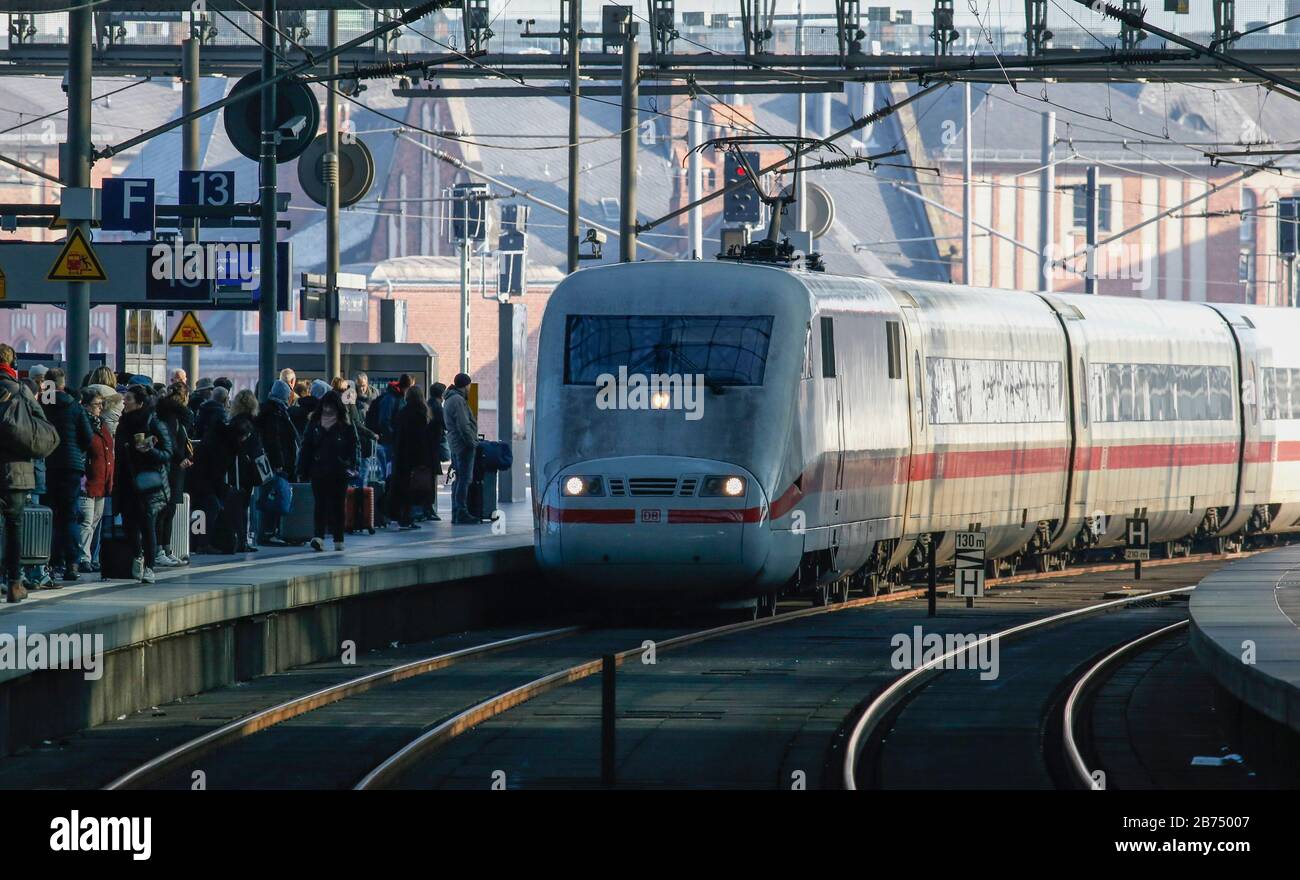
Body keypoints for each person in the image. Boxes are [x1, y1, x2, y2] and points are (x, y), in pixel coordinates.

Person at [0, 344, 51, 603]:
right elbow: (41, 424)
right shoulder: (20, 390)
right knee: (13, 526)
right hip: (16, 470)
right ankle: (13, 583)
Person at [114, 385, 173, 584]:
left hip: (149, 485)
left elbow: (167, 453)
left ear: (139, 403)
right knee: (129, 524)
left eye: (128, 399)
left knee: (148, 524)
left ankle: (149, 566)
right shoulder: (123, 423)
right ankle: (137, 555)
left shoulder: (153, 422)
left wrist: (148, 450)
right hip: (127, 481)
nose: (124, 402)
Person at [40, 368, 93, 582]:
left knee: (51, 515)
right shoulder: (74, 406)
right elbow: (87, 438)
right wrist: (75, 451)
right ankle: (72, 563)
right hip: (71, 466)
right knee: (69, 515)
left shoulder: (42, 405)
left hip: (48, 464)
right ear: (63, 383)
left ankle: (52, 563)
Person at [297, 390, 358, 553]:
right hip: (325, 471)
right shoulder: (324, 425)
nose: (328, 410)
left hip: (334, 471)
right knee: (325, 504)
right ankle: (323, 537)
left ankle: (334, 537)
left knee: (332, 505)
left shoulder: (339, 426)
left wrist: (351, 466)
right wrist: (302, 469)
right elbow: (306, 448)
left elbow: (353, 448)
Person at [209, 389, 264, 553]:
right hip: (245, 470)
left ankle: (238, 538)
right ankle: (242, 539)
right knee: (244, 505)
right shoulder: (250, 423)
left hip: (234, 469)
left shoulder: (232, 422)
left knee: (236, 505)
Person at [153, 382, 194, 567]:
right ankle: (159, 550)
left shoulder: (173, 414)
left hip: (175, 467)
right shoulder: (171, 415)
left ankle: (166, 549)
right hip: (170, 468)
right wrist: (180, 458)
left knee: (169, 510)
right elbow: (169, 440)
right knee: (165, 510)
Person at [255, 379, 300, 545]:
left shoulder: (272, 410)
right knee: (275, 497)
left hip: (273, 462)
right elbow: (274, 439)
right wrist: (279, 461)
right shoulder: (275, 413)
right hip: (275, 464)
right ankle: (268, 532)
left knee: (272, 496)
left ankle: (268, 531)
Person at [390, 385, 441, 529]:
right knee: (413, 489)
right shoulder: (423, 414)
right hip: (417, 458)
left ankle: (403, 517)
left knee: (402, 488)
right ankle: (409, 517)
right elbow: (424, 439)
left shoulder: (402, 413)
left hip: (401, 457)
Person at [77, 388, 114, 575]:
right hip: (88, 481)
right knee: (86, 521)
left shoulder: (102, 425)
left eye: (101, 404)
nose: (100, 408)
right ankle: (83, 558)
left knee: (94, 523)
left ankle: (91, 556)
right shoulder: (85, 426)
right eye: (96, 404)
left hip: (101, 481)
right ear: (85, 405)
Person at [443, 372, 481, 524]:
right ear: (465, 385)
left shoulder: (450, 399)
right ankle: (461, 512)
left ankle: (456, 512)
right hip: (463, 445)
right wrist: (472, 442)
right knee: (464, 479)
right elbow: (463, 425)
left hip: (456, 444)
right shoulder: (458, 400)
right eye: (469, 386)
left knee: (460, 479)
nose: (470, 388)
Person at [426, 382, 447, 520]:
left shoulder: (428, 404)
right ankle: (429, 508)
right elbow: (445, 424)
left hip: (428, 446)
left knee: (428, 477)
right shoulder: (438, 407)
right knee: (431, 478)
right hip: (433, 447)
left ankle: (426, 507)